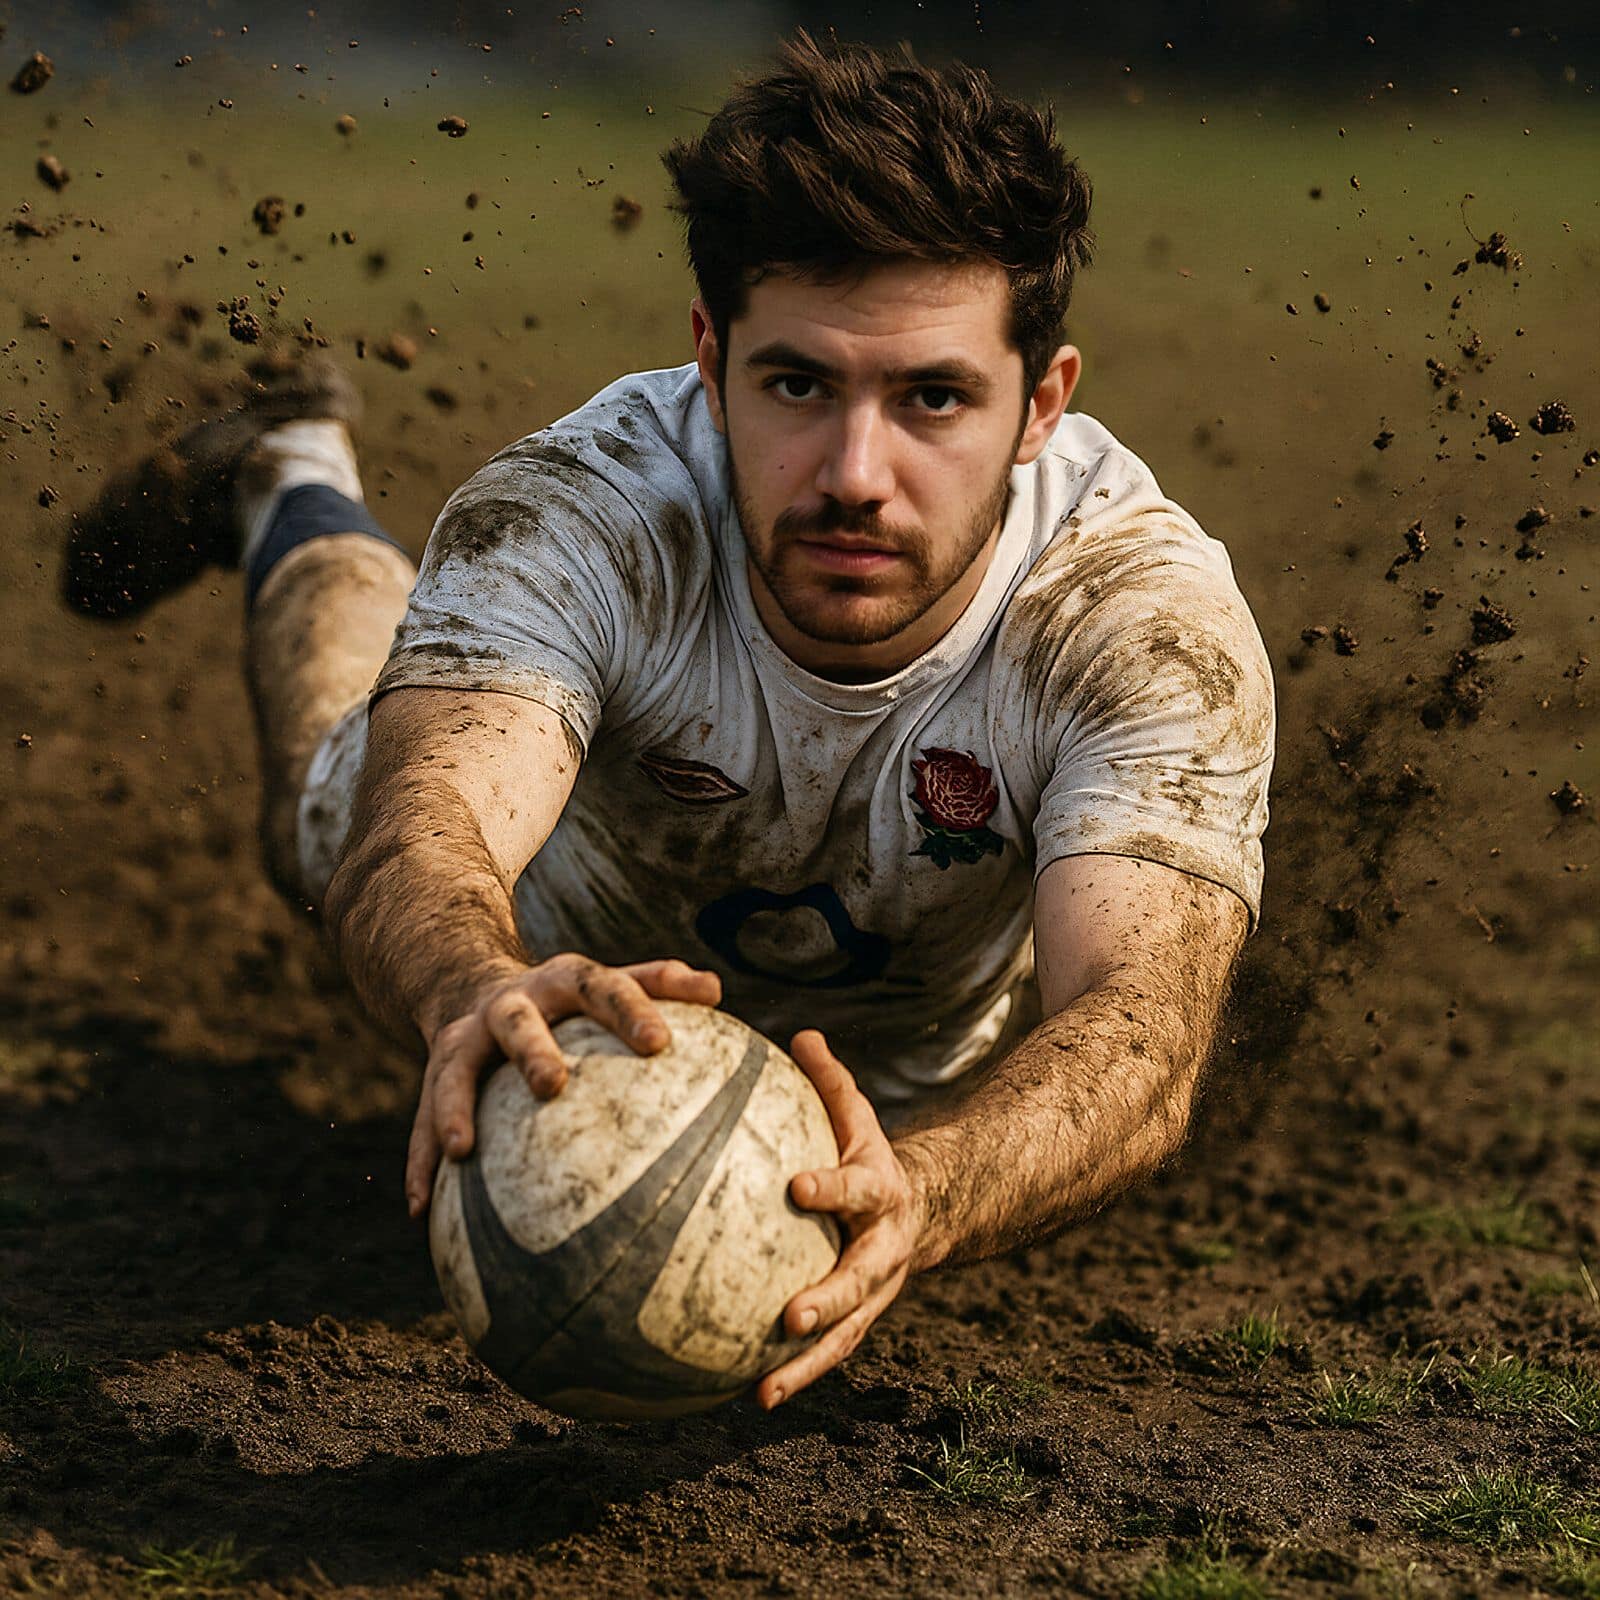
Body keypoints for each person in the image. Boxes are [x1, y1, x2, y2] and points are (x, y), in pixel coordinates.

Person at [64, 34, 1275, 1408]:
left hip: (902, 1080)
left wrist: (924, 1190)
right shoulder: (579, 514)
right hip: (541, 959)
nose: (855, 475)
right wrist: (471, 985)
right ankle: (290, 475)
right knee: (332, 812)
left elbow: (1141, 1028)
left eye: (934, 397)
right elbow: (431, 830)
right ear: (710, 360)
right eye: (799, 386)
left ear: (1041, 403)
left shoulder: (1139, 622)